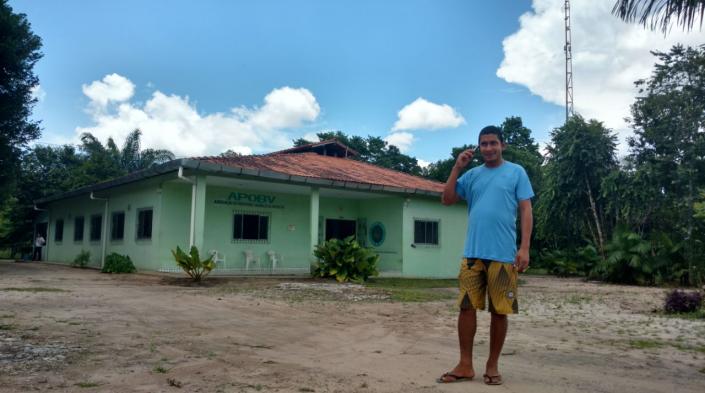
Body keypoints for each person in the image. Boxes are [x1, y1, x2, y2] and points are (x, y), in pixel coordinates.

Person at [438, 125, 534, 386]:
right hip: (472, 255)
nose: (489, 148)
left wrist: (524, 247)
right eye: (484, 144)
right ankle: (465, 365)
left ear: (503, 145)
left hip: (503, 256)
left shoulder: (516, 172)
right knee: (466, 308)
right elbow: (446, 199)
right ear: (478, 147)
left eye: (493, 143)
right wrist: (457, 167)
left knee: (499, 312)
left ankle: (492, 365)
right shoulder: (471, 176)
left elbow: (526, 209)